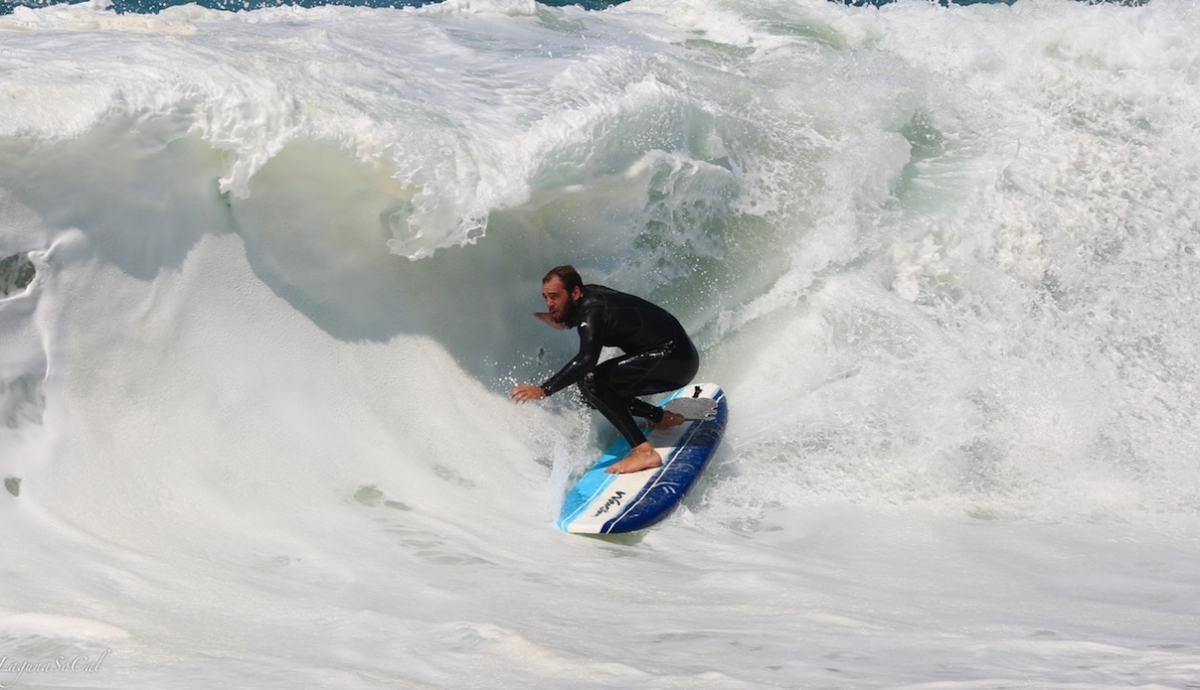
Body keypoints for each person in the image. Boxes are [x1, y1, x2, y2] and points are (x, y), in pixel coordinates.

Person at [510, 265, 700, 474]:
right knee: (589, 392)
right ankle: (662, 418)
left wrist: (544, 390)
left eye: (554, 296)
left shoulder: (592, 310)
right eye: (546, 297)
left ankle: (644, 452)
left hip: (675, 358)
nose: (549, 303)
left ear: (574, 292)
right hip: (673, 354)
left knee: (592, 382)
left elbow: (587, 359)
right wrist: (563, 321)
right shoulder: (587, 297)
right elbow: (582, 318)